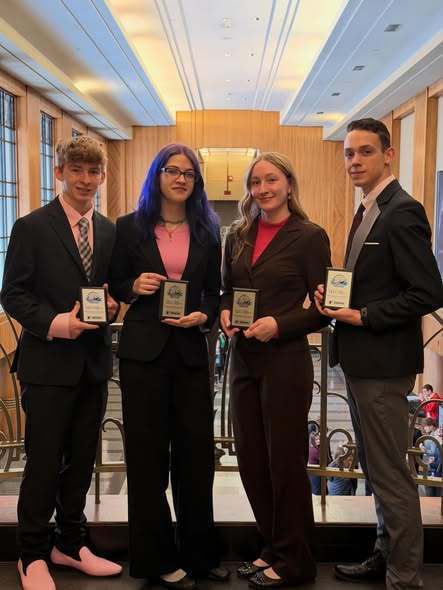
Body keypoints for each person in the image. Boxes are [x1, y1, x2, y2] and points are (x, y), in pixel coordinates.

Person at [314, 118, 443, 589]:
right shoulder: (369, 207)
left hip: (384, 365)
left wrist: (365, 316)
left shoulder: (401, 210)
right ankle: (384, 553)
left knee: (390, 475)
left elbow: (428, 291)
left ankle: (404, 577)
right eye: (349, 153)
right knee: (374, 467)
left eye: (365, 152)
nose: (354, 161)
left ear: (388, 155)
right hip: (361, 362)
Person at [1, 136, 122, 590]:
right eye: (77, 171)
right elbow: (12, 293)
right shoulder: (31, 227)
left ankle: (70, 545)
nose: (86, 180)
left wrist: (112, 307)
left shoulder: (110, 231)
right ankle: (30, 554)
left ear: (102, 176)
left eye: (93, 172)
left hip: (92, 366)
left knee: (82, 461)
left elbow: (114, 290)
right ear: (59, 172)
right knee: (44, 461)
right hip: (47, 365)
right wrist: (55, 323)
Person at [110, 143, 228, 589]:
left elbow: (214, 292)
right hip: (144, 356)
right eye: (171, 170)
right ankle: (155, 558)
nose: (181, 178)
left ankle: (201, 555)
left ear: (196, 183)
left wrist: (204, 313)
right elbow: (116, 282)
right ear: (156, 176)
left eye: (189, 173)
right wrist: (132, 285)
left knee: (197, 458)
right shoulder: (128, 228)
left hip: (192, 355)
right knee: (147, 459)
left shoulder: (208, 230)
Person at [220, 152, 331, 588]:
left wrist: (280, 325)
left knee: (283, 461)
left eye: (271, 180)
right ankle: (273, 546)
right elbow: (230, 289)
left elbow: (324, 311)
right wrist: (227, 312)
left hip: (285, 361)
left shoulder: (309, 236)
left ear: (288, 184)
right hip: (243, 359)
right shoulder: (239, 234)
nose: (263, 189)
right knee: (251, 459)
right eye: (255, 182)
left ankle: (295, 561)